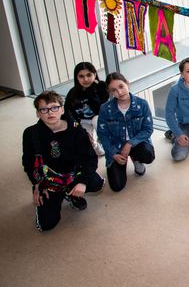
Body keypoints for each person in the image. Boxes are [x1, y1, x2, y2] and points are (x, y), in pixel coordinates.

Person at [22, 91, 105, 231]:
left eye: (54, 108)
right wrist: (37, 184)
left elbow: (90, 158)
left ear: (62, 109)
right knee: (46, 225)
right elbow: (28, 162)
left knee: (97, 183)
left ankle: (71, 194)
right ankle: (63, 194)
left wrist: (82, 182)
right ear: (38, 113)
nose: (50, 113)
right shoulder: (31, 134)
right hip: (49, 180)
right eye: (44, 109)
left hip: (73, 175)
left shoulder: (77, 130)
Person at [97, 72, 155, 192]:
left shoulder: (142, 104)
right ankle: (121, 159)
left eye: (121, 86)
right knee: (117, 186)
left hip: (137, 143)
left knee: (148, 154)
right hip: (115, 147)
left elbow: (147, 129)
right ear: (110, 92)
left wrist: (129, 144)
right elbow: (103, 135)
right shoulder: (105, 109)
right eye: (114, 90)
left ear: (127, 84)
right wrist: (113, 153)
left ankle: (136, 159)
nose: (119, 92)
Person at [64, 62, 109, 156]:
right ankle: (98, 148)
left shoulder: (101, 87)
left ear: (95, 74)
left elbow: (100, 108)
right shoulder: (73, 92)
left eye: (89, 75)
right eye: (81, 76)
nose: (86, 79)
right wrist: (75, 124)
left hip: (98, 117)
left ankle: (107, 144)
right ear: (77, 77)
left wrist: (91, 90)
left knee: (97, 120)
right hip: (83, 121)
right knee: (89, 143)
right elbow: (67, 110)